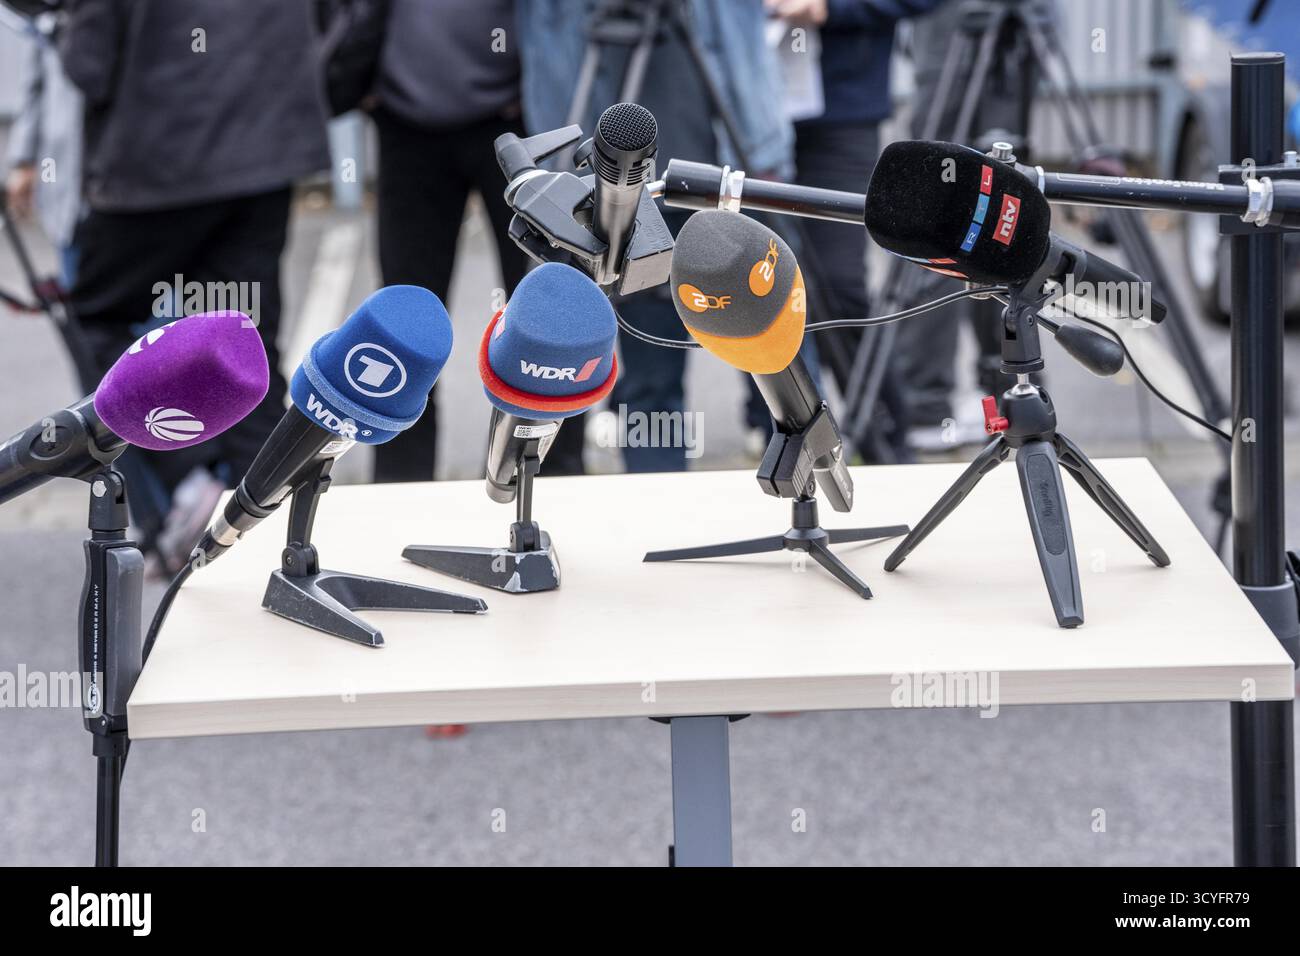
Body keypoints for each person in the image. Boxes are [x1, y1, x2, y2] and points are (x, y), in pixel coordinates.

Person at [57, 0, 331, 568]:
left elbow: (88, 62)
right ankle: (270, 536)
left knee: (96, 319)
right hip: (262, 149)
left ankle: (189, 479)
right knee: (247, 338)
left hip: (158, 160)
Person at [516, 0, 797, 472]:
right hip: (631, 193)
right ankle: (655, 496)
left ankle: (799, 480)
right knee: (650, 378)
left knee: (773, 347)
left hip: (726, 175)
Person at [366, 0, 586, 481]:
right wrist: (358, 72)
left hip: (520, 120)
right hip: (407, 122)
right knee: (405, 321)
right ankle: (399, 491)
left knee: (548, 312)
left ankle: (551, 479)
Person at [765, 0, 944, 463]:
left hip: (840, 113)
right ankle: (778, 430)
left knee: (839, 283)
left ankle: (886, 440)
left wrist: (830, 8)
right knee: (761, 284)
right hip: (744, 98)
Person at [4, 12, 83, 291]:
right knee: (83, 301)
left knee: (164, 321)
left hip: (146, 184)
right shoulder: (51, 14)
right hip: (70, 176)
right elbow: (35, 83)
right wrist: (23, 159)